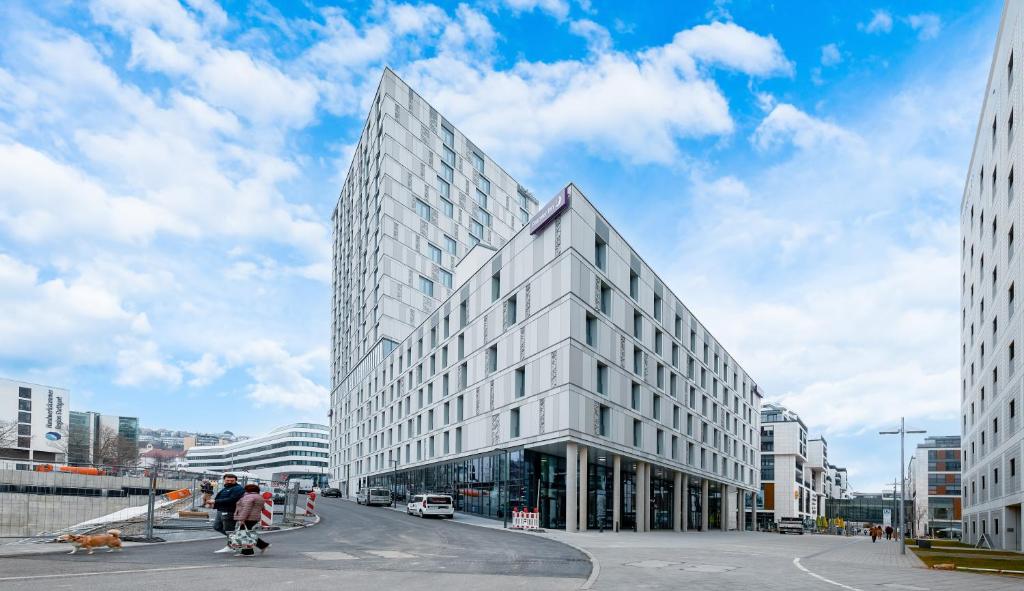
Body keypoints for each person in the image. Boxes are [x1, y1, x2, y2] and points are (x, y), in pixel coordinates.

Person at [207, 473, 244, 553]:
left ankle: (231, 546)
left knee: (229, 530)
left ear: (236, 481)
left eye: (232, 480)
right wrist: (213, 504)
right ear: (224, 480)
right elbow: (222, 498)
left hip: (230, 511)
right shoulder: (225, 488)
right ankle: (236, 540)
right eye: (227, 480)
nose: (229, 482)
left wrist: (215, 501)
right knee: (217, 527)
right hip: (221, 510)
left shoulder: (238, 489)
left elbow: (232, 499)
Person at [233, 484, 271, 556]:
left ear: (247, 490)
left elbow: (246, 509)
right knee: (247, 533)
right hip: (254, 518)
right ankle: (263, 545)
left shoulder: (248, 497)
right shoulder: (259, 497)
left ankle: (248, 552)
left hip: (248, 518)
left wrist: (242, 519)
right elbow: (263, 508)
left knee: (244, 534)